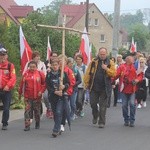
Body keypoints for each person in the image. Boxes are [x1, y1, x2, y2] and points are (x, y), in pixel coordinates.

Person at [84, 47, 116, 128]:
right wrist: (86, 83)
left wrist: (107, 69)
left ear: (106, 54)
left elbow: (114, 74)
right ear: (98, 53)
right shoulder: (93, 62)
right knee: (93, 103)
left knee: (103, 106)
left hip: (104, 88)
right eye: (101, 54)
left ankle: (101, 122)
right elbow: (88, 73)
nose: (102, 55)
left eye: (103, 54)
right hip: (94, 87)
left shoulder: (110, 62)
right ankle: (95, 115)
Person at [114, 56, 143, 127]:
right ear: (127, 60)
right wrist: (111, 79)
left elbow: (140, 75)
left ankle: (132, 120)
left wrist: (137, 80)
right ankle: (126, 120)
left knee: (132, 104)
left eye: (132, 60)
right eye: (131, 60)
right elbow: (116, 75)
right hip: (124, 89)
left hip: (132, 89)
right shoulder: (121, 67)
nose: (132, 61)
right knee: (124, 105)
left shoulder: (135, 67)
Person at [18, 61, 46, 131]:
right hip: (28, 96)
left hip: (37, 96)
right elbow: (22, 84)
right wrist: (20, 93)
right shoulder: (26, 74)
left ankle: (37, 122)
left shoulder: (40, 73)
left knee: (37, 111)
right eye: (30, 67)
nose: (32, 68)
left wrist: (41, 91)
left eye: (34, 67)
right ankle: (27, 125)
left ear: (36, 67)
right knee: (27, 111)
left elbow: (44, 84)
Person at [46, 59, 70, 137]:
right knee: (55, 113)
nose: (55, 66)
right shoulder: (49, 74)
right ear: (51, 66)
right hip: (53, 97)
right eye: (53, 65)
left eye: (56, 65)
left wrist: (64, 86)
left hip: (61, 97)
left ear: (59, 66)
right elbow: (48, 86)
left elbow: (68, 83)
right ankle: (58, 126)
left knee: (59, 112)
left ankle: (55, 130)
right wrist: (54, 91)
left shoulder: (63, 74)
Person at [0, 44, 16, 130]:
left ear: (6, 56)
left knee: (6, 108)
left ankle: (4, 123)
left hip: (6, 90)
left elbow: (13, 77)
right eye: (0, 55)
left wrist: (7, 86)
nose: (2, 57)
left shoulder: (10, 65)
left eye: (3, 55)